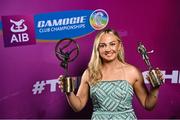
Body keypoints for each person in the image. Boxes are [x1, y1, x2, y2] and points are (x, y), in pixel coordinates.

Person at [59, 28, 164, 120]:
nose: (108, 49)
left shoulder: (132, 72)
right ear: (97, 49)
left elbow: (148, 104)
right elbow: (78, 106)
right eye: (103, 45)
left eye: (112, 44)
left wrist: (155, 88)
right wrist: (68, 92)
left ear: (119, 46)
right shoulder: (89, 73)